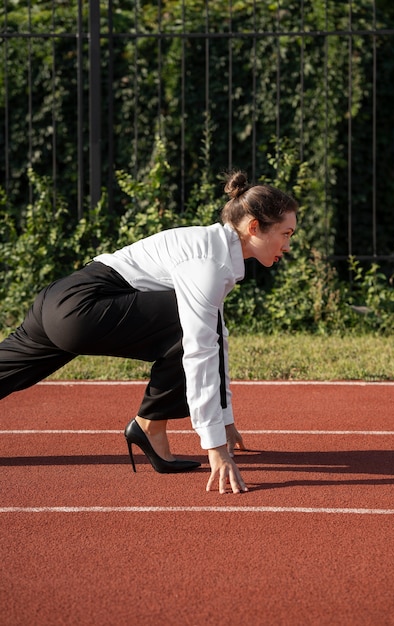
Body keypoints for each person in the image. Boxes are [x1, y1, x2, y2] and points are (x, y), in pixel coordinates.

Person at [0, 170, 297, 494]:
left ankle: (150, 428)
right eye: (286, 233)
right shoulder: (208, 263)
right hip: (84, 308)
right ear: (254, 228)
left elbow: (216, 336)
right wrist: (216, 448)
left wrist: (225, 419)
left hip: (57, 299)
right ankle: (149, 426)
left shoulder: (211, 248)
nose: (288, 244)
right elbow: (200, 349)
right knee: (194, 329)